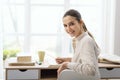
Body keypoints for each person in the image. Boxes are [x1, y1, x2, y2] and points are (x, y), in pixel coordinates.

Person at [56, 9, 100, 80]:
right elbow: (82, 60)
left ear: (81, 22)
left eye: (71, 24)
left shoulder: (86, 41)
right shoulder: (79, 40)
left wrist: (66, 64)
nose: (68, 29)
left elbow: (90, 69)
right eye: (65, 25)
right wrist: (67, 60)